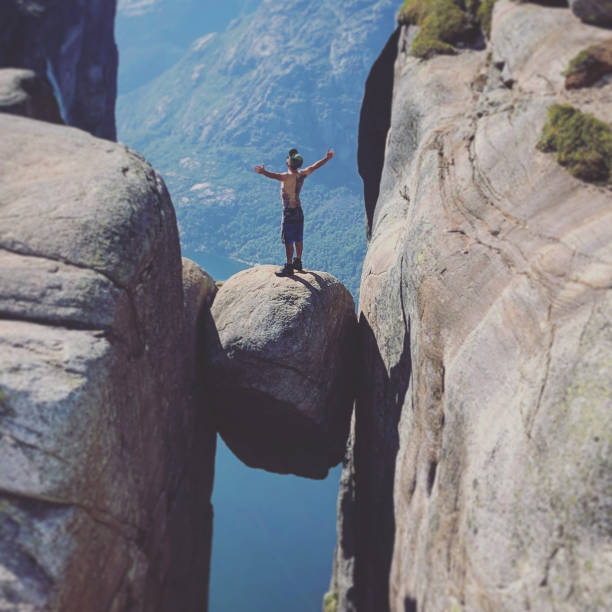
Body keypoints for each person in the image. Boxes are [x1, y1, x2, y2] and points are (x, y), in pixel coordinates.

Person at [254, 147, 334, 276]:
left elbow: (274, 176)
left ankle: (289, 266)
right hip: (299, 211)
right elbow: (314, 167)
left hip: (289, 212)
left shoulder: (286, 177)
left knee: (288, 240)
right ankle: (298, 261)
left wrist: (263, 171)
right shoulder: (302, 174)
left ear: (289, 163)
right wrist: (327, 158)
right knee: (298, 237)